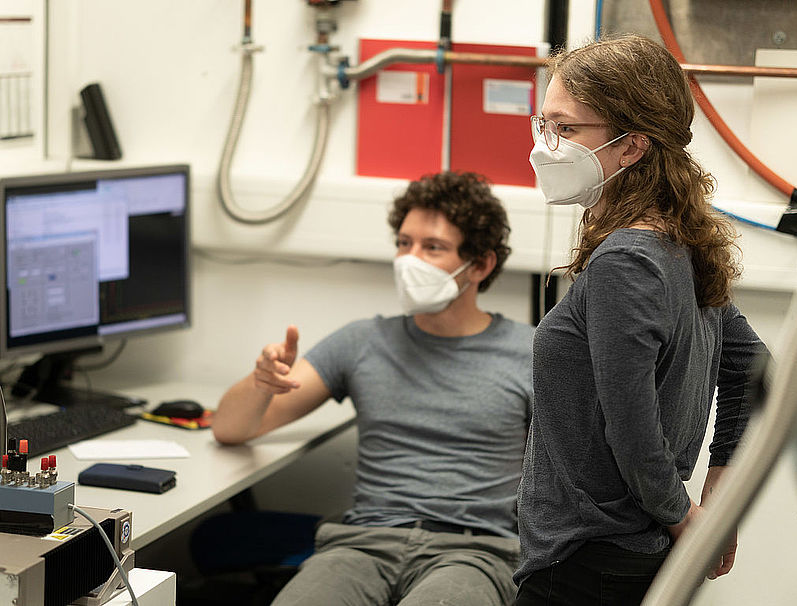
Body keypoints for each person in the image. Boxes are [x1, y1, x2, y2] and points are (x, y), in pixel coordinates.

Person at [515, 34, 767, 606]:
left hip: (587, 564)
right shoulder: (674, 246)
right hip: (624, 559)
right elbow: (756, 366)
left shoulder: (626, 262)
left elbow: (631, 429)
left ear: (631, 147)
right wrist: (716, 499)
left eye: (567, 129)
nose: (546, 148)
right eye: (544, 124)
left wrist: (688, 519)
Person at [213, 171, 534, 606]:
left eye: (432, 247)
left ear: (480, 265)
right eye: (404, 243)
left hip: (475, 553)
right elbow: (230, 429)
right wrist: (262, 382)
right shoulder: (363, 341)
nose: (409, 260)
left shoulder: (531, 353)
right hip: (361, 545)